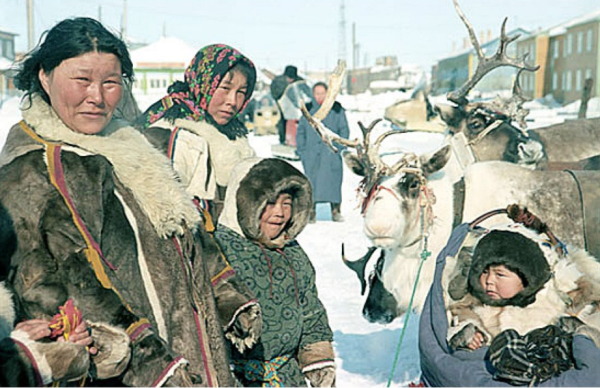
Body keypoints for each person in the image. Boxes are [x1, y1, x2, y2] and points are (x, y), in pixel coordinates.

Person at [0, 17, 257, 386]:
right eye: (82, 80)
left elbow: (186, 232)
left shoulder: (133, 148)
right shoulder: (32, 170)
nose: (97, 97)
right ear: (44, 76)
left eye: (110, 83)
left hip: (194, 355)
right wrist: (151, 362)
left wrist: (226, 292)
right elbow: (52, 287)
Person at [418, 223, 600, 387]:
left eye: (500, 275)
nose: (489, 280)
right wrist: (466, 332)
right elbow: (457, 316)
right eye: (485, 272)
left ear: (525, 279)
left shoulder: (550, 303)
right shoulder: (476, 303)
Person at [214, 157, 337, 387]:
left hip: (287, 378)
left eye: (287, 203)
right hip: (234, 379)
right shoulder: (218, 254)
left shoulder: (293, 254)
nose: (280, 213)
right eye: (269, 203)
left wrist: (319, 361)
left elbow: (311, 311)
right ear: (245, 202)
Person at [137, 43, 257, 221]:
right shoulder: (173, 137)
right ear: (203, 83)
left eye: (241, 92)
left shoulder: (234, 136)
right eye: (224, 88)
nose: (232, 101)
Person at [296, 81, 350, 223]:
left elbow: (344, 130)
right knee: (311, 184)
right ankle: (311, 213)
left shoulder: (337, 109)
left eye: (323, 93)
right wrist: (302, 151)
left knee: (333, 183)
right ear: (313, 94)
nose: (320, 96)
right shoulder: (307, 110)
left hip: (331, 154)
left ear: (328, 94)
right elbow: (300, 131)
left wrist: (339, 148)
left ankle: (336, 211)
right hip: (312, 154)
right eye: (317, 93)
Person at [270, 65, 312, 146]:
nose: (291, 80)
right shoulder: (278, 81)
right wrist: (279, 98)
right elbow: (275, 93)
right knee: (283, 120)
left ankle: (304, 139)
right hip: (283, 103)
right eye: (289, 78)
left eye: (293, 78)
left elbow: (306, 90)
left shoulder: (300, 80)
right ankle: (283, 139)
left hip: (297, 103)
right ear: (285, 76)